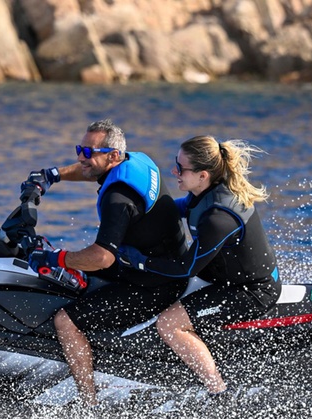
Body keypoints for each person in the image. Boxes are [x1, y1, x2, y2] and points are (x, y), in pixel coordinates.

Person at [24, 119, 188, 406]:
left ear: (113, 155)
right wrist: (52, 176)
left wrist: (55, 258)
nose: (80, 157)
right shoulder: (137, 160)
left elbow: (102, 256)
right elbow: (91, 170)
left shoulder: (118, 199)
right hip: (160, 259)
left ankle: (89, 404)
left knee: (66, 321)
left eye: (88, 152)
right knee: (76, 268)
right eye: (80, 149)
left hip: (156, 283)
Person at [117, 135, 281, 396]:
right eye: (175, 164)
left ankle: (219, 393)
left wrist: (140, 261)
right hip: (224, 275)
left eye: (181, 169)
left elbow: (186, 268)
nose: (174, 172)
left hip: (250, 291)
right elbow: (173, 210)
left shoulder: (218, 217)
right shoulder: (202, 192)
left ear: (203, 175)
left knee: (169, 324)